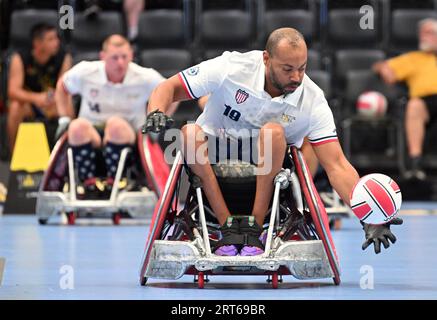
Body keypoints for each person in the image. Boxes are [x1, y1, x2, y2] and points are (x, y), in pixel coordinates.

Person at [143, 28, 403, 255]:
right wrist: (156, 111)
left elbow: (337, 165)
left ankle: (254, 229)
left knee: (273, 133)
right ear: (266, 59)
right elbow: (169, 87)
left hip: (271, 176)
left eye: (302, 68)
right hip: (211, 162)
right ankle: (227, 227)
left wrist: (368, 215)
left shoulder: (312, 99)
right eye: (287, 69)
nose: (296, 77)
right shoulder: (232, 67)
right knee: (188, 132)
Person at [55, 34, 174, 196]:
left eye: (124, 57)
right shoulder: (85, 71)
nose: (120, 63)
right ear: (103, 57)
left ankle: (117, 182)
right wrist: (64, 118)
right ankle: (88, 184)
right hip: (91, 134)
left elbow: (172, 94)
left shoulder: (145, 76)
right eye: (114, 58)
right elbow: (62, 87)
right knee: (76, 127)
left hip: (127, 136)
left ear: (131, 55)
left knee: (115, 125)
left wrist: (157, 122)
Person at [373, 18, 437, 180]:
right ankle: (415, 164)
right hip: (425, 102)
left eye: (429, 33)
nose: (423, 37)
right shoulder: (413, 58)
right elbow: (381, 66)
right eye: (422, 33)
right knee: (414, 106)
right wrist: (383, 69)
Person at [7, 23, 72, 153]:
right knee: (15, 108)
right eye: (51, 39)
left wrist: (52, 98)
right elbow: (13, 91)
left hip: (53, 102)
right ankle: (13, 155)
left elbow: (65, 87)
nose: (57, 42)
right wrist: (36, 98)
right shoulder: (20, 57)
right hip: (29, 104)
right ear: (37, 43)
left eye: (56, 38)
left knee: (68, 105)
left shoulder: (64, 57)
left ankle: (67, 155)